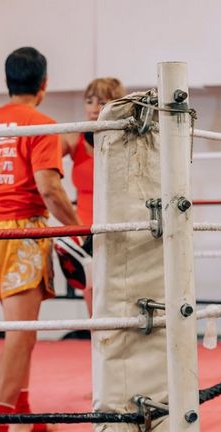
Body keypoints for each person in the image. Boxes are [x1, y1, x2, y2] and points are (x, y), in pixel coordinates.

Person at [0, 46, 81, 432]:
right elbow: (49, 189)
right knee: (19, 336)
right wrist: (80, 230)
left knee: (23, 333)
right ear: (43, 84)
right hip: (22, 235)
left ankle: (22, 414)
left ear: (7, 82)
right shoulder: (42, 124)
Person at [61, 77, 125, 315]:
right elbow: (42, 160)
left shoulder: (127, 137)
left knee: (119, 289)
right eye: (89, 101)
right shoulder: (73, 137)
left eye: (102, 102)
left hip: (117, 221)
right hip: (84, 225)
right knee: (91, 291)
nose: (94, 108)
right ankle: (96, 335)